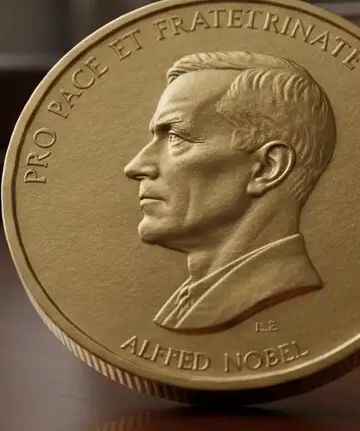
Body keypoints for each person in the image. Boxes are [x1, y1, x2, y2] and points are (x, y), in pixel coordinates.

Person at [124, 51, 337, 334]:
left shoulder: (273, 294)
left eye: (176, 137)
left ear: (267, 168)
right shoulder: (188, 303)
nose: (136, 166)